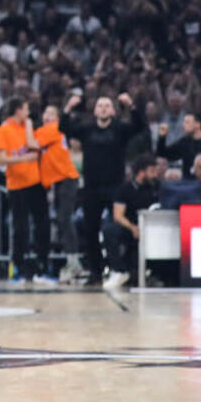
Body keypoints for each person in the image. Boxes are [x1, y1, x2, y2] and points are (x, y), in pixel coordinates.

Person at [61, 92, 144, 286]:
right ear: (95, 111)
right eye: (100, 105)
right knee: (91, 230)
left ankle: (121, 268)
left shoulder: (120, 128)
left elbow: (139, 126)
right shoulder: (87, 129)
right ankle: (95, 272)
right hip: (91, 188)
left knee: (116, 228)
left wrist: (131, 106)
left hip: (115, 187)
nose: (103, 108)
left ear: (113, 111)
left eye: (107, 105)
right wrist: (68, 108)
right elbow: (64, 128)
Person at [0, 98, 53, 284]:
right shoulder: (4, 130)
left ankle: (42, 266)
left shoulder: (29, 127)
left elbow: (36, 148)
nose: (28, 113)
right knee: (20, 228)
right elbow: (2, 159)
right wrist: (24, 158)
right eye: (26, 109)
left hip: (36, 183)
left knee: (43, 225)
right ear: (18, 110)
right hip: (17, 185)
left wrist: (29, 128)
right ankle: (18, 267)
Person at [34, 105, 82, 283]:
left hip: (67, 179)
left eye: (52, 114)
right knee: (62, 221)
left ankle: (74, 262)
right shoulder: (45, 131)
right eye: (45, 113)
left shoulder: (54, 129)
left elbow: (32, 144)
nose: (48, 116)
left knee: (64, 219)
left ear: (57, 119)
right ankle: (73, 262)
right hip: (58, 181)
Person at [102, 154, 158, 289]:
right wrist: (133, 227)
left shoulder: (157, 187)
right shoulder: (125, 189)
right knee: (110, 230)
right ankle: (119, 271)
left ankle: (157, 274)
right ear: (141, 172)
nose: (155, 175)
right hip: (130, 227)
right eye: (152, 171)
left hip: (152, 227)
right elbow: (118, 215)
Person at [155, 112, 201, 194]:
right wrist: (162, 137)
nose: (184, 125)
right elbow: (163, 153)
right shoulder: (184, 142)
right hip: (188, 187)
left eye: (187, 122)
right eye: (184, 122)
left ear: (198, 125)